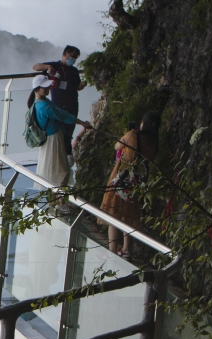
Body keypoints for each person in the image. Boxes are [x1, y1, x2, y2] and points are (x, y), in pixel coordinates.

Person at [100, 112, 160, 257]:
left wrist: (128, 133)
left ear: (143, 124)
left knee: (113, 215)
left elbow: (117, 146)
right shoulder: (153, 144)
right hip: (137, 183)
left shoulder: (132, 135)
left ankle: (112, 251)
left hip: (121, 178)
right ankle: (126, 250)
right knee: (130, 216)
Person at [30, 76, 93, 188]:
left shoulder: (37, 103)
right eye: (45, 87)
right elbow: (63, 116)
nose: (48, 88)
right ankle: (60, 201)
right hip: (53, 140)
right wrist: (82, 123)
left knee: (53, 169)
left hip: (47, 140)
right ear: (37, 89)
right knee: (62, 170)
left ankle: (56, 201)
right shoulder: (45, 106)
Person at [32, 46, 85, 118]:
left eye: (75, 58)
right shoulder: (55, 65)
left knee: (71, 124)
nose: (73, 60)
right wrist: (48, 67)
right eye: (72, 57)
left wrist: (81, 86)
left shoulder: (74, 71)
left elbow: (77, 87)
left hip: (72, 103)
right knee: (58, 125)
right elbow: (35, 67)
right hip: (57, 103)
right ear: (65, 54)